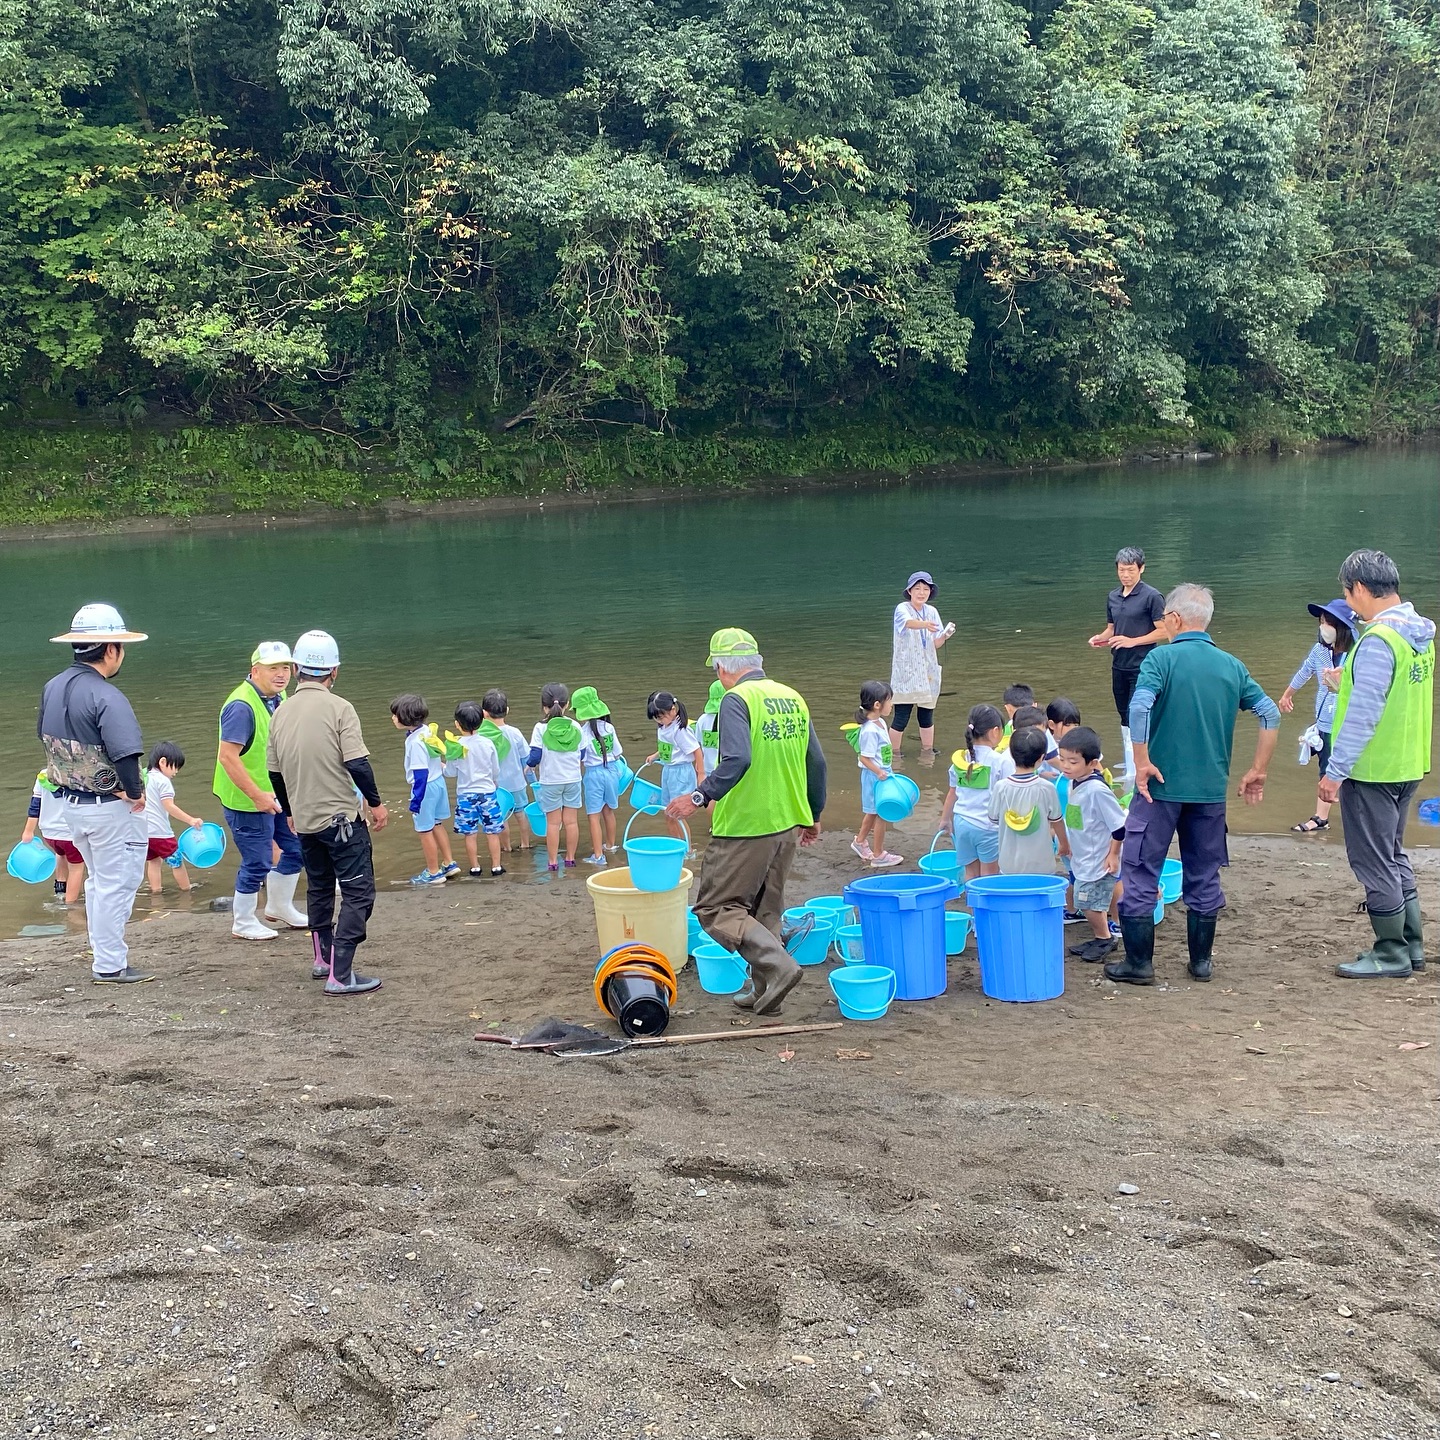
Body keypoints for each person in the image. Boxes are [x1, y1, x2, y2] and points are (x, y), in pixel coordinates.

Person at [1105, 583, 1281, 986]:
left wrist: (1142, 760)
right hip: (1209, 793)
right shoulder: (1231, 666)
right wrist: (1258, 770)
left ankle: (1139, 964)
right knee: (1203, 876)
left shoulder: (1160, 658)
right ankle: (1201, 963)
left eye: (1165, 617)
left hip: (1158, 789)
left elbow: (1139, 705)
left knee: (1140, 871)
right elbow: (1269, 714)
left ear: (1175, 619)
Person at [665, 627, 827, 1016]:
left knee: (716, 908)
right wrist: (814, 814)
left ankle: (780, 967)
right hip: (787, 821)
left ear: (722, 669)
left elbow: (737, 759)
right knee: (764, 910)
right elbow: (817, 762)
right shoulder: (792, 697)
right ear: (758, 662)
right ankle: (765, 992)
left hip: (746, 826)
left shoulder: (736, 700)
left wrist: (699, 795)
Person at [1319, 550, 1434, 979]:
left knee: (1373, 861)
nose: (1347, 602)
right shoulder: (1419, 634)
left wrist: (1335, 772)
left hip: (1373, 770)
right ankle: (1413, 946)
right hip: (1408, 763)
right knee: (1393, 853)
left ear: (1361, 589)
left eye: (1347, 593)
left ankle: (1391, 953)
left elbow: (1364, 712)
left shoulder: (1378, 640)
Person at [267, 629, 387, 995]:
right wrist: (376, 803)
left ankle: (322, 959)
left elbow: (274, 771)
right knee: (358, 892)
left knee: (319, 887)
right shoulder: (341, 708)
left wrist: (289, 810)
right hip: (341, 820)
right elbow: (358, 763)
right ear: (333, 671)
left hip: (304, 820)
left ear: (298, 668)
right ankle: (341, 973)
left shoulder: (281, 711)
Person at [38, 603, 152, 983]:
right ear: (111, 649)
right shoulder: (107, 696)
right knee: (117, 882)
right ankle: (108, 963)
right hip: (108, 808)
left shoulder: (52, 687)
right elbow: (126, 753)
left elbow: (46, 739)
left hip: (70, 804)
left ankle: (105, 955)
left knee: (100, 881)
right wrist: (133, 793)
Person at [214, 641, 308, 939]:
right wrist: (256, 795)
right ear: (255, 670)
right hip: (246, 799)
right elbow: (227, 757)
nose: (281, 674)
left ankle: (279, 907)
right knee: (257, 861)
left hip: (277, 792)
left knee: (296, 849)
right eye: (272, 668)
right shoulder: (241, 706)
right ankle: (242, 921)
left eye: (285, 667)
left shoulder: (277, 695)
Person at [1279, 598, 1358, 833]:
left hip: (1348, 724)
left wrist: (1341, 683)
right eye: (1321, 621)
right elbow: (1304, 672)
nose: (1323, 627)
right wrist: (1287, 695)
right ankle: (1321, 818)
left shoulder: (1356, 653)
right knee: (1326, 770)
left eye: (1328, 622)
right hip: (1325, 722)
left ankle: (1357, 820)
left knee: (1352, 776)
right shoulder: (1319, 651)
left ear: (1341, 627)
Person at [1088, 546, 1168, 777]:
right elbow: (1111, 629)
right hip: (1119, 664)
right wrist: (1100, 638)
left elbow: (1163, 631)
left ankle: (1141, 766)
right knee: (1124, 714)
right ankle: (1130, 762)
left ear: (1141, 569)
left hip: (1143, 665)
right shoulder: (1113, 596)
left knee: (1138, 712)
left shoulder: (1152, 596)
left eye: (1131, 570)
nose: (1126, 574)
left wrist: (1133, 641)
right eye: (1122, 570)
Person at [1055, 727, 1127, 962]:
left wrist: (1113, 855)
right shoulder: (1073, 782)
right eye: (1062, 759)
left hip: (1098, 857)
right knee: (1084, 899)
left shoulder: (1097, 790)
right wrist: (1066, 844)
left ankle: (1105, 938)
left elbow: (1119, 827)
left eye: (1073, 762)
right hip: (1081, 853)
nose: (1065, 766)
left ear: (1092, 763)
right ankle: (1100, 936)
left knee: (1088, 902)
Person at [391, 693, 458, 885]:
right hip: (438, 784)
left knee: (424, 830)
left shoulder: (415, 743)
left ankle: (433, 872)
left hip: (425, 788)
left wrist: (416, 800)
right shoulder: (426, 731)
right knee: (437, 824)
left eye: (396, 715)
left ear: (406, 718)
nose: (393, 718)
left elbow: (420, 774)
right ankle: (449, 863)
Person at [939, 703, 1005, 894]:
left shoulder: (961, 761)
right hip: (987, 827)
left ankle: (975, 915)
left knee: (971, 873)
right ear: (994, 732)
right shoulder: (999, 761)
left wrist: (945, 820)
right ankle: (986, 920)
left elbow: (952, 792)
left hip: (962, 823)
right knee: (989, 877)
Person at [987, 727, 1068, 875]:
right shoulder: (1047, 788)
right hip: (1042, 865)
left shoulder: (1001, 787)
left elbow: (993, 818)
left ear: (1011, 754)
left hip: (1008, 864)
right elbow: (1057, 821)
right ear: (1041, 758)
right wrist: (1064, 844)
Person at [889, 572, 953, 755]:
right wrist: (925, 624)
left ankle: (927, 751)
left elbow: (935, 644)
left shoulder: (932, 611)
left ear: (930, 592)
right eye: (917, 588)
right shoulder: (902, 608)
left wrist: (945, 635)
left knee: (926, 716)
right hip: (907, 671)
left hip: (928, 670)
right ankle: (894, 753)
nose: (921, 592)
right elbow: (909, 623)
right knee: (901, 716)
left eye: (926, 589)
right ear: (909, 591)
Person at [528, 683, 582, 871]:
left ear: (544, 706)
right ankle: (570, 858)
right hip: (573, 779)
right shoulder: (575, 726)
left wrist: (528, 766)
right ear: (567, 705)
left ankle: (552, 862)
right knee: (572, 822)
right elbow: (581, 753)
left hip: (551, 781)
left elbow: (535, 755)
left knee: (553, 823)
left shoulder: (540, 728)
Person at [449, 701, 506, 878]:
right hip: (487, 793)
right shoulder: (487, 743)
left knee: (470, 834)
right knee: (493, 832)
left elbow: (450, 772)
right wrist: (494, 781)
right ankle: (496, 866)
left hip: (466, 796)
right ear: (482, 721)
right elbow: (495, 768)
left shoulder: (456, 745)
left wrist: (443, 765)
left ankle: (475, 867)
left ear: (457, 724)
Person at [852, 680, 902, 867]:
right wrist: (880, 772)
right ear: (877, 705)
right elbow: (865, 758)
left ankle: (859, 842)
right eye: (889, 701)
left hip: (882, 774)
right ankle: (878, 854)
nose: (892, 705)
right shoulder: (870, 731)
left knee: (873, 812)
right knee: (881, 813)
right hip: (874, 776)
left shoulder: (880, 722)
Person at [143, 741, 202, 894]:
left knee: (153, 862)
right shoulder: (163, 781)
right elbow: (169, 805)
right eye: (175, 766)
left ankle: (156, 892)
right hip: (161, 832)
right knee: (177, 862)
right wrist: (190, 820)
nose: (176, 771)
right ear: (163, 762)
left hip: (143, 832)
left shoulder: (144, 776)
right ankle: (186, 890)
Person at [574, 686, 624, 865]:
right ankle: (610, 845)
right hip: (612, 771)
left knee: (593, 815)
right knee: (609, 811)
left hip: (593, 775)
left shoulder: (582, 732)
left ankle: (598, 856)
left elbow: (580, 757)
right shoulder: (609, 727)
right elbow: (618, 753)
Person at [21, 771, 86, 905]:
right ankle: (70, 904)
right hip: (70, 834)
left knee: (60, 854)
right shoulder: (79, 774)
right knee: (76, 869)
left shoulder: (43, 775)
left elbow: (35, 806)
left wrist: (28, 832)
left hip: (49, 834)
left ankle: (60, 891)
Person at [647, 691, 705, 841]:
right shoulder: (664, 727)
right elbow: (667, 747)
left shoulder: (680, 730)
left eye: (660, 717)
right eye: (655, 718)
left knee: (677, 813)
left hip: (681, 773)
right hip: (668, 771)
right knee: (668, 812)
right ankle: (676, 844)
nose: (658, 720)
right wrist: (655, 756)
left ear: (673, 710)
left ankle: (687, 849)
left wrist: (701, 773)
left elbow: (696, 750)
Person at [481, 690, 533, 853]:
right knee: (520, 813)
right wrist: (533, 781)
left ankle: (506, 847)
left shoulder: (482, 736)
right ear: (507, 710)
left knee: (502, 817)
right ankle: (525, 844)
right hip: (517, 782)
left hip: (496, 786)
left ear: (484, 713)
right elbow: (527, 758)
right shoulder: (514, 732)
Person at [695, 680, 724, 771]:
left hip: (706, 767)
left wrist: (698, 763)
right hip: (725, 769)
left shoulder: (702, 719)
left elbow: (698, 743)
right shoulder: (731, 718)